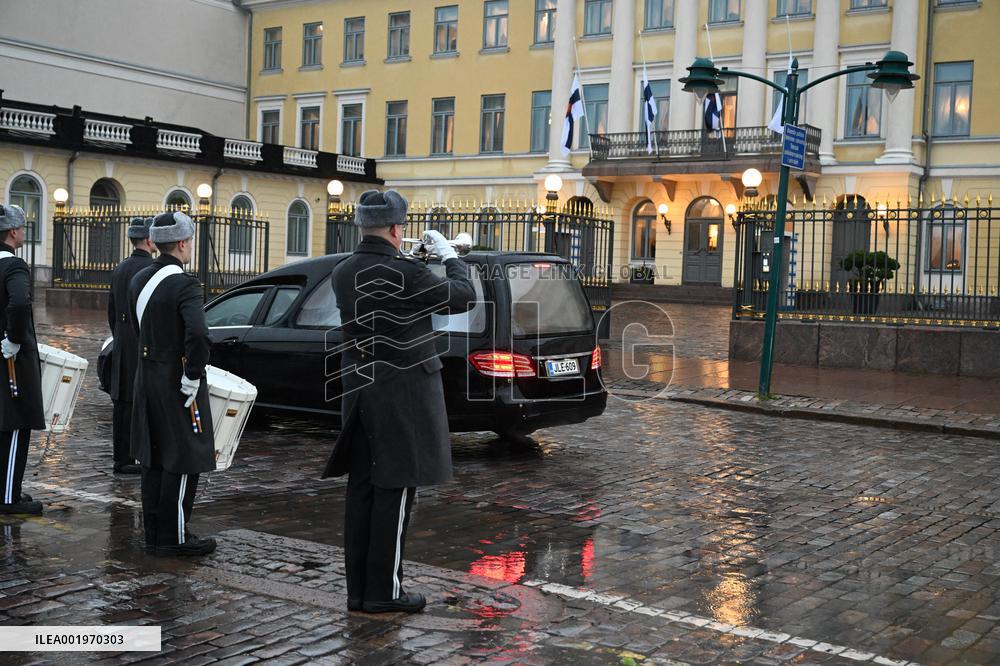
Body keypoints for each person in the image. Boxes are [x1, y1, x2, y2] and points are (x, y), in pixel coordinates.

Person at [323, 189, 476, 614]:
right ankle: (384, 592)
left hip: (359, 390)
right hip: (402, 394)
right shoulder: (404, 271)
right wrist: (450, 257)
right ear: (396, 228)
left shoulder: (344, 269)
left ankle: (360, 590)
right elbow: (463, 296)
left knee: (364, 491)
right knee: (395, 492)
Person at [128, 211, 215, 556]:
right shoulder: (184, 283)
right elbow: (199, 334)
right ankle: (174, 537)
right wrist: (193, 374)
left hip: (146, 377)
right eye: (190, 241)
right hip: (177, 382)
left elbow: (138, 330)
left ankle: (154, 533)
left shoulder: (139, 280)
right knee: (182, 457)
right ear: (182, 243)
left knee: (153, 458)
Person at [0, 204, 44, 515]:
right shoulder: (14, 266)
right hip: (10, 358)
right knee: (16, 426)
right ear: (13, 232)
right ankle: (8, 497)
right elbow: (18, 304)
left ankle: (8, 489)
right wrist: (14, 339)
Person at [107, 217, 156, 475]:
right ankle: (136, 457)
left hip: (122, 341)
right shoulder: (150, 269)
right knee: (139, 401)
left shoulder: (120, 268)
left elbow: (111, 310)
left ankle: (120, 457)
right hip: (142, 342)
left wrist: (121, 335)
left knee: (122, 403)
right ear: (149, 240)